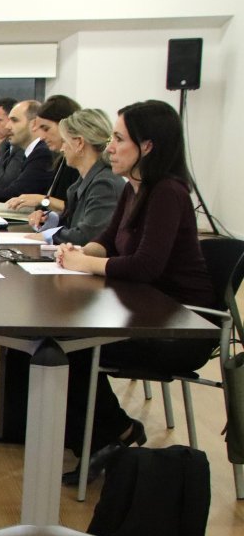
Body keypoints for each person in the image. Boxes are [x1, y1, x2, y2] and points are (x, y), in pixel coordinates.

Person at [55, 100, 217, 482]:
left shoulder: (168, 192)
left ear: (147, 146)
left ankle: (108, 435)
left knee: (66, 344)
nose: (109, 146)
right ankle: (107, 433)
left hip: (179, 326)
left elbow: (146, 265)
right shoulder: (135, 189)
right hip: (145, 311)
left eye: (118, 138)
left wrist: (86, 264)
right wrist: (78, 252)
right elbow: (106, 240)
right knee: (59, 338)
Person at [23, 109, 125, 245]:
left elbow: (87, 236)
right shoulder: (88, 178)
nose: (62, 149)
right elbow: (74, 223)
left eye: (65, 141)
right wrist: (50, 220)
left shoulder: (105, 184)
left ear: (79, 143)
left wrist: (48, 235)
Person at [4, 95, 82, 213]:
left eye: (46, 129)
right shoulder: (62, 160)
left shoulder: (77, 164)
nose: (42, 137)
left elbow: (77, 209)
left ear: (66, 126)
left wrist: (42, 200)